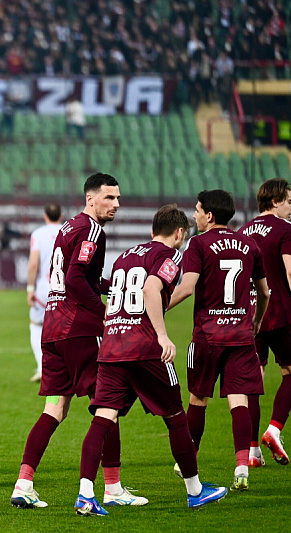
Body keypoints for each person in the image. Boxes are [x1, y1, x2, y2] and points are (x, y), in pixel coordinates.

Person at [75, 205, 227, 516]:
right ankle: (195, 491)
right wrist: (162, 335)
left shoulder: (125, 256)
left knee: (103, 418)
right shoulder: (171, 256)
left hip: (112, 345)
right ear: (180, 233)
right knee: (176, 417)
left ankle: (86, 494)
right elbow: (150, 288)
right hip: (144, 347)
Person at [12, 173, 147, 509]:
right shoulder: (92, 229)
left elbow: (74, 275)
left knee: (55, 409)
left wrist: (112, 286)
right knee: (108, 405)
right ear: (91, 198)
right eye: (109, 198)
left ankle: (24, 484)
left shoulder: (68, 226)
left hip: (53, 327)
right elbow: (74, 279)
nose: (116, 204)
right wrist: (103, 312)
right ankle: (112, 487)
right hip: (79, 331)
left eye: (118, 198)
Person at [168, 189, 270, 492]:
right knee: (239, 400)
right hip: (241, 336)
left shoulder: (198, 243)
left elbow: (187, 287)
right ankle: (242, 467)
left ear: (210, 216)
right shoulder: (249, 244)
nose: (194, 215)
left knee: (198, 399)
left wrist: (157, 308)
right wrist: (257, 320)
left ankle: (189, 460)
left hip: (207, 336)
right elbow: (264, 292)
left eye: (198, 210)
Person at [239, 178, 291, 466]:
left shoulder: (243, 232)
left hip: (249, 315)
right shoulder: (285, 229)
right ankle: (274, 430)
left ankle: (252, 452)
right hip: (280, 312)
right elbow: (290, 272)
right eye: (289, 201)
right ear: (275, 201)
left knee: (253, 381)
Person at [26, 204, 62, 383]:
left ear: (45, 216)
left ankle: (42, 368)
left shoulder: (38, 234)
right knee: (63, 327)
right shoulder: (69, 231)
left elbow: (33, 264)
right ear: (61, 215)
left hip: (43, 288)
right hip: (64, 288)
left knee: (36, 325)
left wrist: (30, 288)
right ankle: (63, 368)